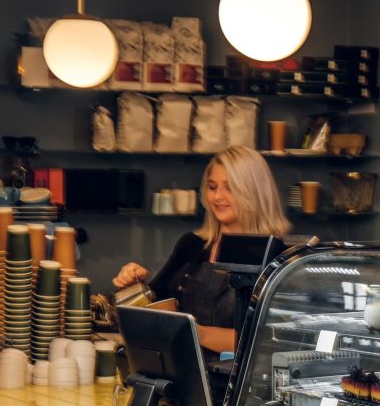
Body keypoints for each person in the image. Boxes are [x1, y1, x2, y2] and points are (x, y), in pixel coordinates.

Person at [113, 146, 291, 357]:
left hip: (234, 384)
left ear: (255, 192)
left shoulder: (277, 255)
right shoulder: (192, 244)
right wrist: (135, 286)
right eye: (212, 187)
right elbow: (155, 306)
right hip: (181, 371)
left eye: (230, 188)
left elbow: (272, 341)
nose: (217, 197)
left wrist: (195, 333)